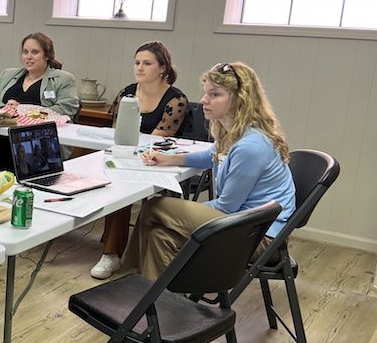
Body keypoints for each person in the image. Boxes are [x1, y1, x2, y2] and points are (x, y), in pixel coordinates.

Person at [120, 62, 296, 280]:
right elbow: (211, 156)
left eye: (215, 94)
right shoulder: (235, 133)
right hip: (244, 223)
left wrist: (185, 213)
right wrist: (168, 158)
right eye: (206, 93)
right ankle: (159, 302)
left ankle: (128, 277)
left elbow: (226, 206)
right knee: (159, 235)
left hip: (258, 235)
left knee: (156, 207)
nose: (204, 100)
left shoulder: (251, 146)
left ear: (240, 99)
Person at [91, 41, 189, 279]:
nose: (140, 68)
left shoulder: (176, 100)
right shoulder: (126, 93)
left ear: (163, 68)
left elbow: (158, 140)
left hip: (156, 161)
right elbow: (116, 130)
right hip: (125, 153)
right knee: (82, 159)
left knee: (121, 185)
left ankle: (111, 254)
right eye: (137, 63)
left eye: (147, 63)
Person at [0, 32, 79, 184]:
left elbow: (66, 108)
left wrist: (23, 110)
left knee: (21, 160)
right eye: (25, 52)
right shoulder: (9, 74)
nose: (28, 56)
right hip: (1, 134)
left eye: (35, 52)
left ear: (47, 55)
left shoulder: (63, 79)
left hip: (35, 140)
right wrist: (3, 109)